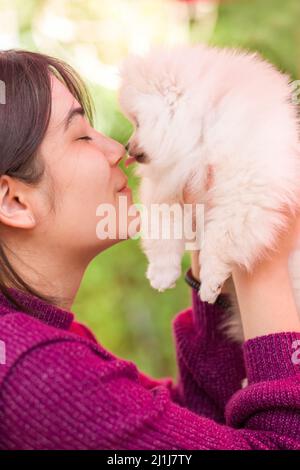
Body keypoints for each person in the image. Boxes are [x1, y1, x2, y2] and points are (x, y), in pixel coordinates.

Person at [0, 49, 299, 450]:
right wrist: (264, 268)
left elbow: (194, 426)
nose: (117, 151)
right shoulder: (35, 372)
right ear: (14, 202)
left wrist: (211, 237)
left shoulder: (37, 339)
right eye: (81, 136)